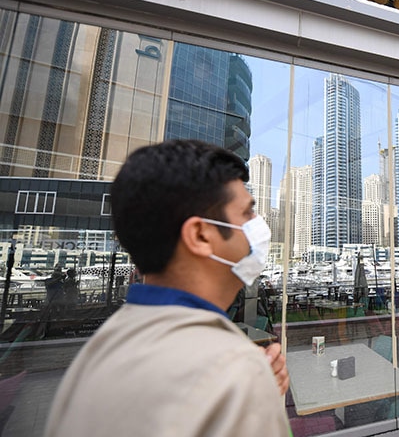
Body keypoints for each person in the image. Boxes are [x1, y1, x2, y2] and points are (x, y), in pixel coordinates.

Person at [45, 140, 291, 436]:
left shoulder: (100, 349)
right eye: (248, 213)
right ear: (200, 235)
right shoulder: (231, 367)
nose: (259, 227)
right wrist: (254, 395)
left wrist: (255, 397)